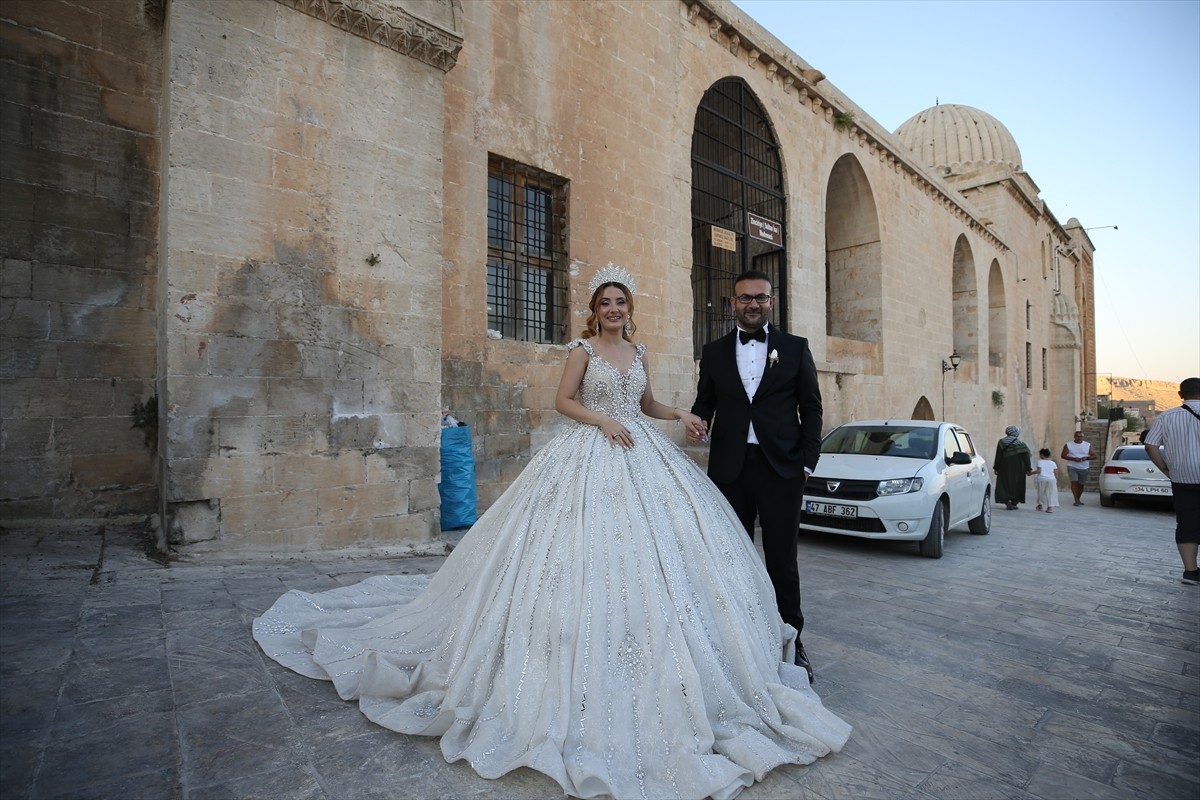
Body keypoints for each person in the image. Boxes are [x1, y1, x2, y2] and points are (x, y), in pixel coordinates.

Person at [253, 264, 851, 800]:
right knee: (578, 556)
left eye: (621, 302)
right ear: (594, 310)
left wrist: (681, 415)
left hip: (648, 451)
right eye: (605, 303)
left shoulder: (639, 351)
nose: (613, 310)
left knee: (692, 557)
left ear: (630, 310)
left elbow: (647, 405)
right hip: (590, 452)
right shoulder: (582, 350)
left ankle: (761, 641)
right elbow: (563, 402)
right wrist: (603, 422)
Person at [688, 269, 822, 683]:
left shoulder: (795, 348)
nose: (753, 304)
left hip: (782, 469)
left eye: (760, 297)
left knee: (782, 560)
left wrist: (806, 462)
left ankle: (792, 642)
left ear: (771, 301)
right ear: (732, 303)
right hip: (730, 470)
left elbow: (811, 408)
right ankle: (739, 641)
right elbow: (705, 402)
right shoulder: (713, 352)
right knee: (732, 557)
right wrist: (696, 421)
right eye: (744, 298)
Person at [1143, 377, 1200, 585]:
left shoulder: (1166, 417)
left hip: (1182, 478)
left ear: (1180, 395)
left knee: (1186, 523)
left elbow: (1150, 445)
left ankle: (1190, 572)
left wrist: (1166, 469)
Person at [994, 426, 1034, 510]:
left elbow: (998, 456)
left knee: (1005, 483)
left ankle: (1007, 500)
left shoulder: (1002, 442)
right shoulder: (1021, 444)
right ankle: (1013, 502)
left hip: (1004, 466)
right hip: (1019, 468)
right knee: (1017, 484)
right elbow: (1026, 457)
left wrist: (996, 467)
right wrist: (1028, 469)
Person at [1061, 430, 1097, 507]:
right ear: (1074, 437)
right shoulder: (1068, 445)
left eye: (1081, 436)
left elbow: (1094, 456)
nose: (1079, 438)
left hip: (1084, 467)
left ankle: (1078, 499)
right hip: (1072, 466)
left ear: (1083, 437)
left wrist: (1086, 458)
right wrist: (1073, 459)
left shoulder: (1087, 445)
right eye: (1077, 436)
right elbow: (1063, 455)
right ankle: (1076, 500)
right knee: (1074, 482)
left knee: (1081, 484)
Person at [1034, 448, 1059, 513]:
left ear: (1042, 455)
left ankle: (1040, 505)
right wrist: (1056, 480)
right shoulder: (1053, 463)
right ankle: (1050, 508)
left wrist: (1031, 473)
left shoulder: (1040, 461)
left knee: (1041, 492)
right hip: (1051, 479)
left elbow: (1039, 471)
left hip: (1042, 479)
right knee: (1050, 493)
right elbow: (1055, 472)